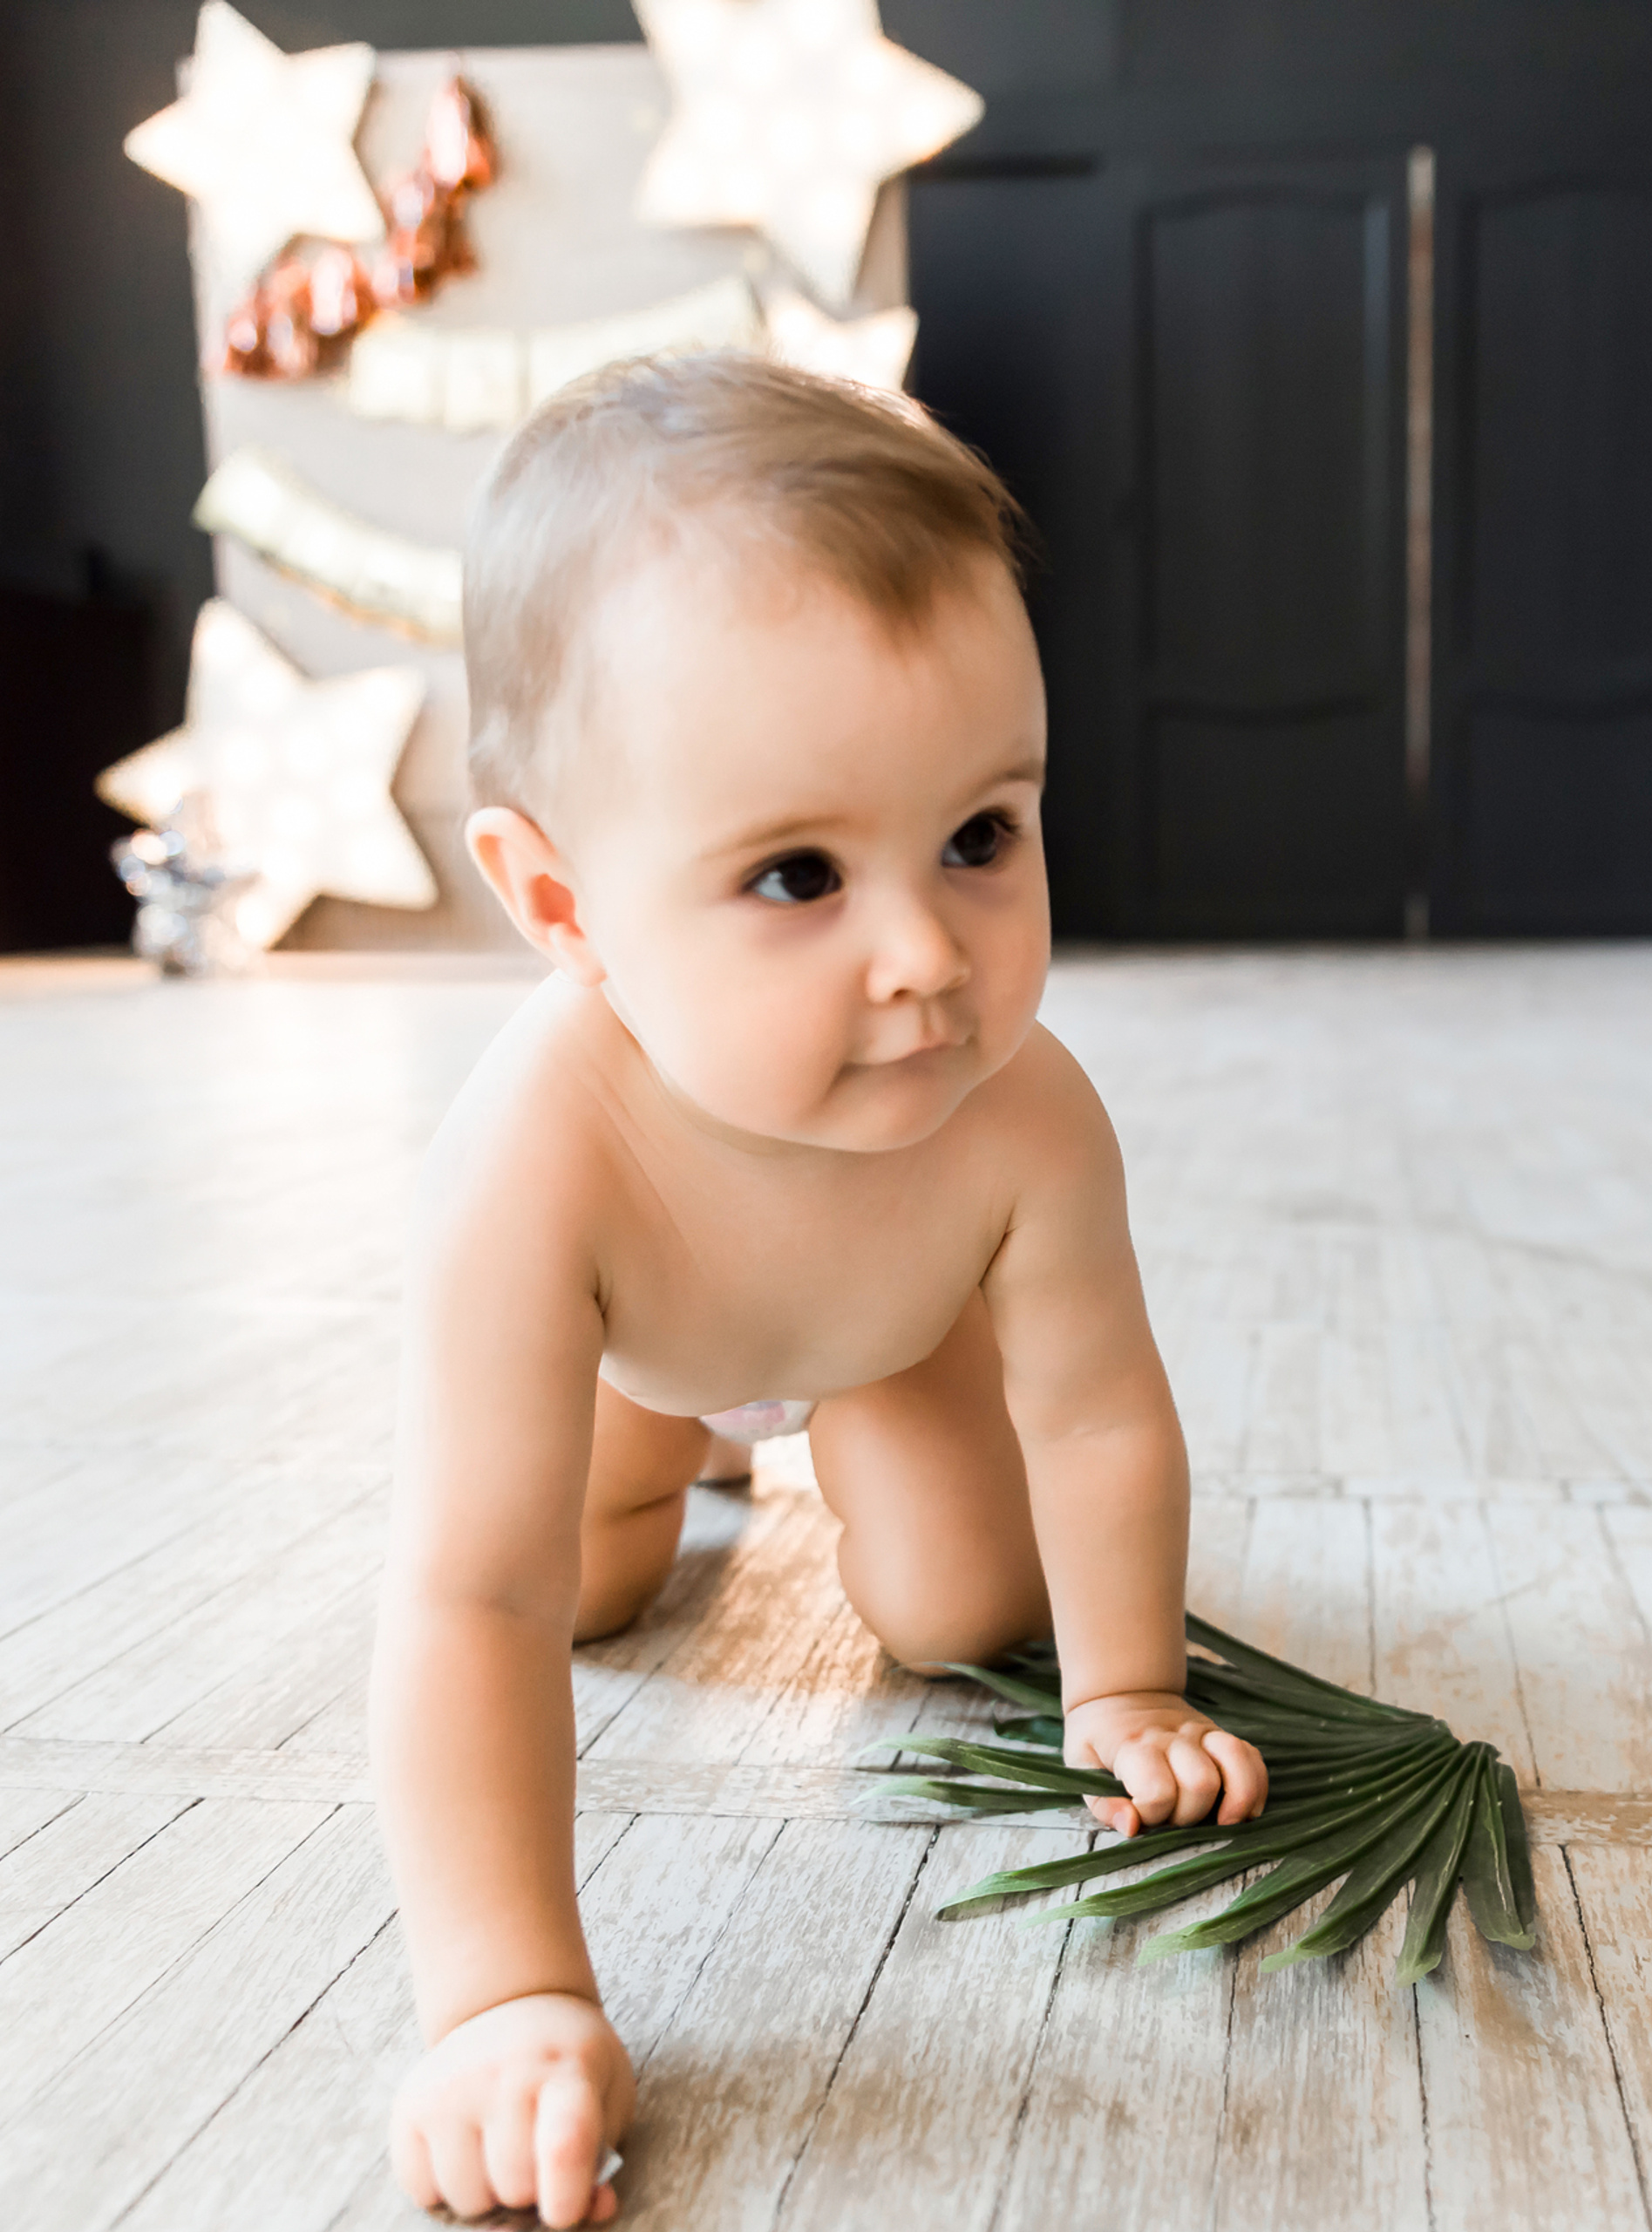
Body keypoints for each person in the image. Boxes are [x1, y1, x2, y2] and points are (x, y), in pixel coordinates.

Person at [371, 355, 1268, 2229]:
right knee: (586, 1588)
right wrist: (503, 1996)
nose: (924, 957)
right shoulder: (531, 1166)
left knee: (961, 1607)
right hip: (644, 1338)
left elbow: (1095, 1409)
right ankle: (679, 1461)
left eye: (979, 834)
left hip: (891, 1325)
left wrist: (1123, 1684)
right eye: (796, 871)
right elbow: (467, 1587)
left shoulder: (1019, 1120)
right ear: (561, 908)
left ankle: (822, 1450)